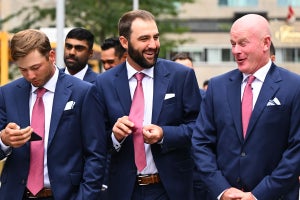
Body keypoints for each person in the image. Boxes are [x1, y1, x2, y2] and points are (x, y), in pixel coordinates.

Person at [192, 14, 300, 200]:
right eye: (233, 44)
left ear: (266, 43)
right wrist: (222, 189)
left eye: (243, 43)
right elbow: (201, 142)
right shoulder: (217, 87)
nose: (235, 51)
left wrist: (259, 194)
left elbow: (296, 150)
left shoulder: (294, 86)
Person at [95, 10, 201, 200]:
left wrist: (164, 134)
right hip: (124, 191)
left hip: (170, 189)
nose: (153, 45)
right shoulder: (104, 83)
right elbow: (93, 140)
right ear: (124, 42)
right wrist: (114, 136)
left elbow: (200, 129)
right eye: (144, 38)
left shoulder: (181, 76)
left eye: (156, 37)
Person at [0, 29, 107, 199]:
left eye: (36, 67)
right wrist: (4, 140)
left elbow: (96, 154)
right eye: (23, 70)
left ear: (51, 56)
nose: (30, 76)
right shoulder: (7, 94)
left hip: (65, 195)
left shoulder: (83, 92)